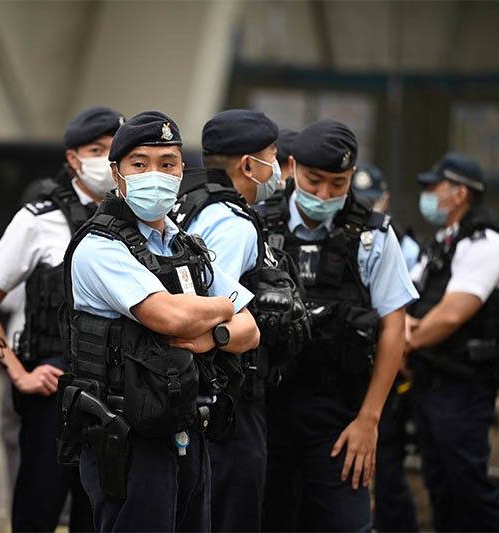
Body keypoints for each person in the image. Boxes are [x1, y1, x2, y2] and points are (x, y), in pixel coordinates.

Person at [61, 110, 260, 531]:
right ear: (118, 174)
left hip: (186, 423)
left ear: (181, 171)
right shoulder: (100, 247)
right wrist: (223, 308)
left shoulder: (187, 244)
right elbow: (166, 316)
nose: (155, 174)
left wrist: (214, 336)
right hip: (128, 435)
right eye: (140, 164)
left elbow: (251, 330)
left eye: (167, 164)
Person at [259, 120, 418, 531]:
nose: (325, 194)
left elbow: (393, 326)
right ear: (291, 167)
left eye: (338, 183)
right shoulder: (257, 225)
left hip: (337, 416)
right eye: (314, 181)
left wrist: (369, 419)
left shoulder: (373, 236)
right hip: (262, 411)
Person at [0, 107, 125, 531]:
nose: (105, 159)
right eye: (95, 150)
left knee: (100, 513)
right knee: (37, 510)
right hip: (53, 393)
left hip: (116, 393)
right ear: (73, 159)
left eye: (113, 150)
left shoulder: (140, 220)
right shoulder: (39, 220)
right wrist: (17, 372)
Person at [170, 109, 309, 531]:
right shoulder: (231, 225)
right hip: (225, 403)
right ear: (249, 165)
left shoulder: (190, 206)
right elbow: (212, 308)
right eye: (273, 156)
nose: (278, 169)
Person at [406, 153, 499, 532]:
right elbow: (409, 294)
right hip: (432, 380)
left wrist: (405, 340)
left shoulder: (485, 245)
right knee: (441, 485)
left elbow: (451, 315)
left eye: (434, 187)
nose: (428, 195)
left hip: (464, 384)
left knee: (469, 488)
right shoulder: (443, 243)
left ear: (460, 194)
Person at [351, 163, 419, 532]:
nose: (368, 209)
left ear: (386, 199)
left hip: (386, 370)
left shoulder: (395, 243)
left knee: (382, 469)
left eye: (372, 201)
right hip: (348, 373)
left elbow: (399, 319)